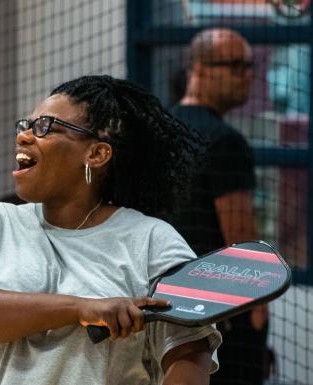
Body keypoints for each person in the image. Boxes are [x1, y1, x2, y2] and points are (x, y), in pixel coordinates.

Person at [0, 75, 222, 385]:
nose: (25, 137)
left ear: (96, 154)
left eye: (45, 126)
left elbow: (190, 357)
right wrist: (82, 308)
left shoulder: (154, 240)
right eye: (25, 126)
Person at [169, 28, 269, 385]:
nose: (248, 75)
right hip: (222, 317)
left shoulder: (160, 130)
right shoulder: (225, 141)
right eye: (235, 65)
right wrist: (257, 319)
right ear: (199, 68)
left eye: (249, 66)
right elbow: (243, 246)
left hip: (164, 312)